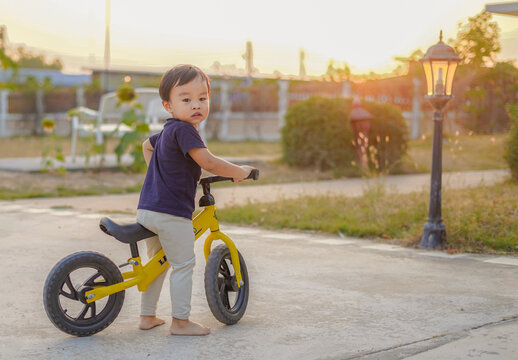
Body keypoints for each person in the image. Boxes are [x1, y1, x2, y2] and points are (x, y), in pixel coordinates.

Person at [136, 65, 254, 336]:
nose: (196, 105)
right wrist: (240, 172)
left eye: (202, 98)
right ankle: (180, 321)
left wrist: (161, 173)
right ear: (168, 105)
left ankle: (147, 316)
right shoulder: (186, 131)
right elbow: (209, 162)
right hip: (170, 214)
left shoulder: (168, 131)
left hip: (148, 209)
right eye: (186, 99)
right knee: (183, 264)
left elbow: (146, 145)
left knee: (157, 263)